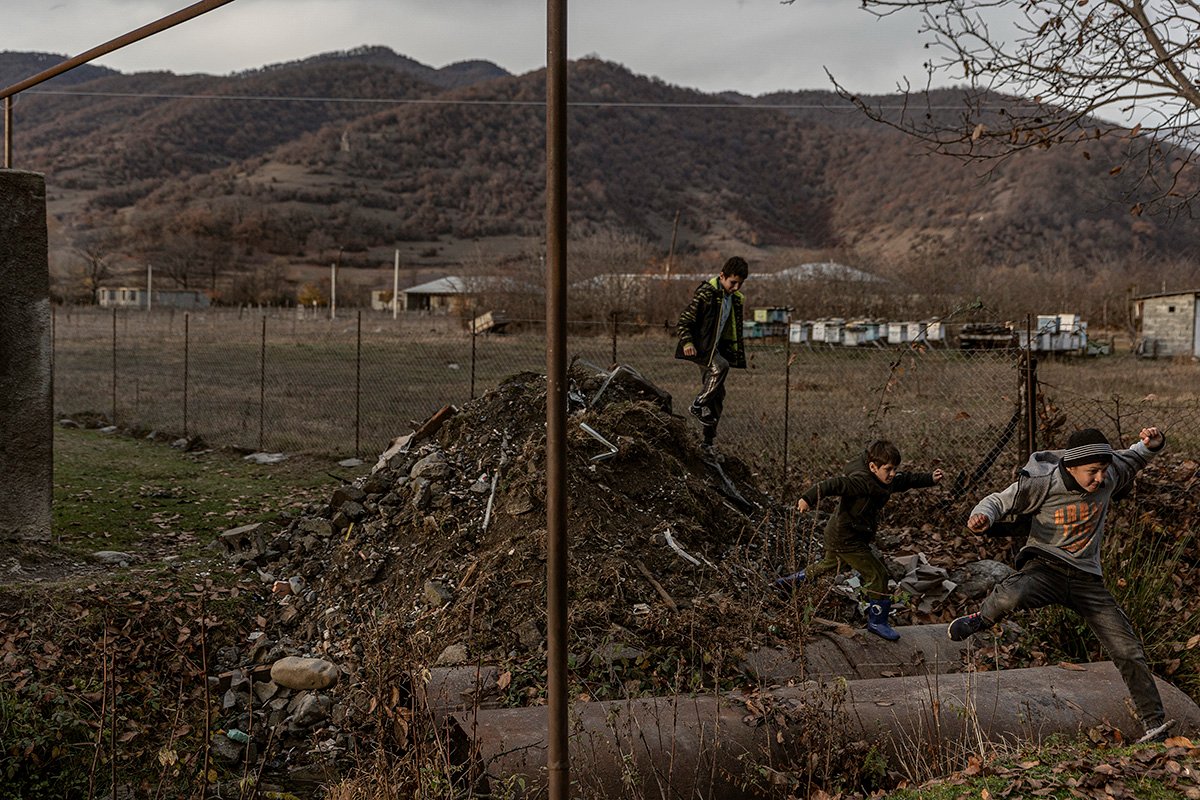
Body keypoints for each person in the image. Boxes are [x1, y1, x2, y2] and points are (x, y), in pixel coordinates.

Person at [947, 426, 1174, 745]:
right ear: (1071, 466)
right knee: (1013, 594)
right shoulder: (1043, 484)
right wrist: (981, 516)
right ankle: (980, 619)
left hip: (1087, 580)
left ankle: (1154, 723)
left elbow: (1136, 457)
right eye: (1092, 472)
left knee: (1127, 648)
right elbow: (999, 500)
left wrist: (1153, 444)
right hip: (1046, 569)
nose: (1099, 479)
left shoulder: (1110, 474)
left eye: (1103, 470)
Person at [790, 440, 944, 641]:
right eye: (888, 469)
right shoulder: (860, 482)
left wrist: (930, 479)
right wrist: (807, 498)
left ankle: (789, 582)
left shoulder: (884, 480)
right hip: (846, 538)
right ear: (872, 467)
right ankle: (877, 621)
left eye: (894, 469)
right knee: (878, 574)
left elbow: (906, 480)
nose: (892, 474)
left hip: (843, 534)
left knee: (829, 565)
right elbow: (832, 484)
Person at [674, 256, 749, 451]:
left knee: (718, 396)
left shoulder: (734, 299)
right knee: (720, 366)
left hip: (716, 348)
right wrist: (687, 342)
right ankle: (697, 405)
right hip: (702, 349)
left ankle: (707, 442)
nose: (736, 288)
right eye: (733, 282)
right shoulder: (706, 294)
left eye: (740, 284)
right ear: (722, 276)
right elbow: (684, 321)